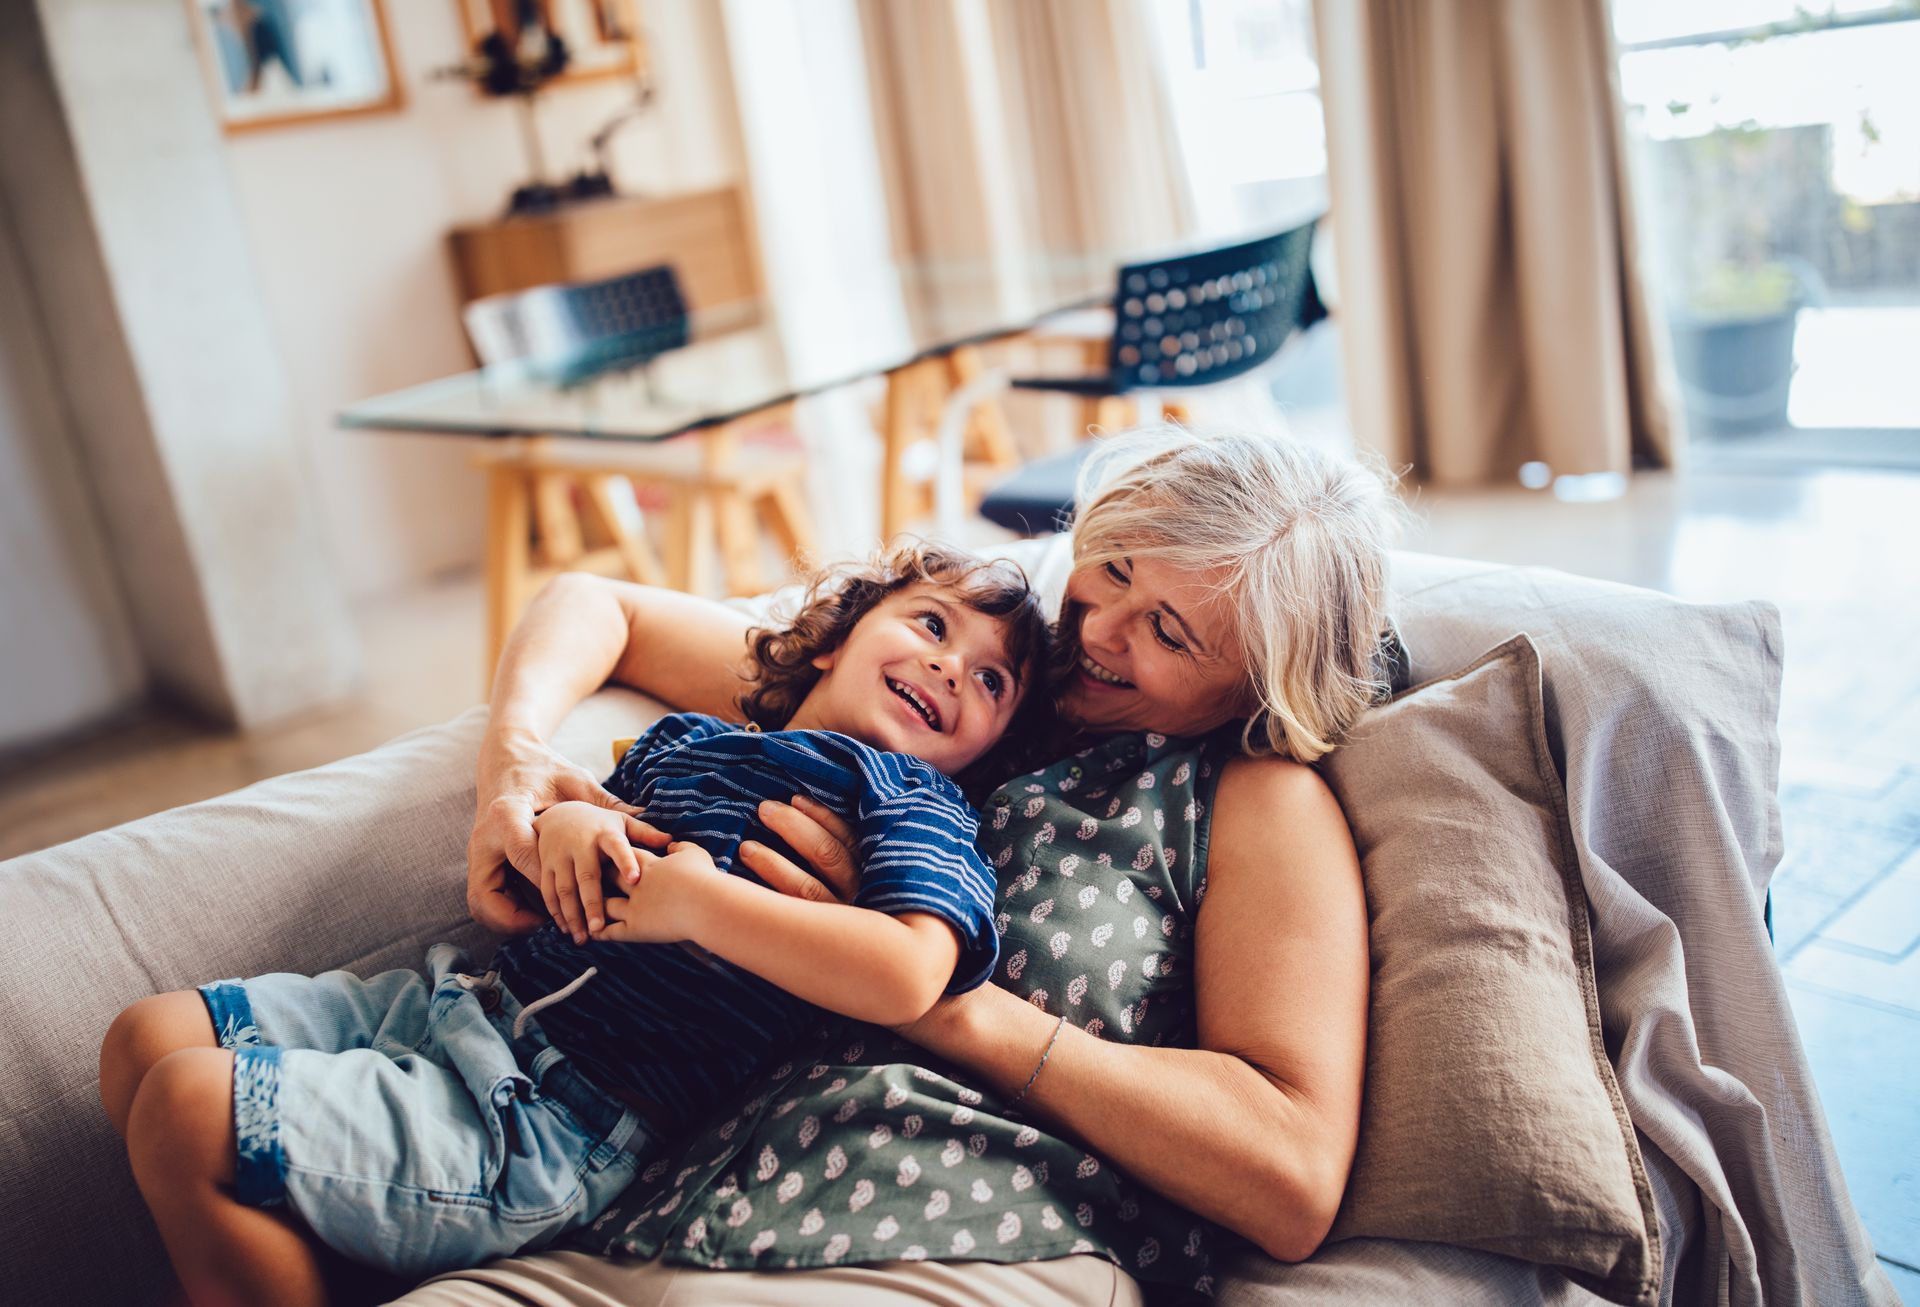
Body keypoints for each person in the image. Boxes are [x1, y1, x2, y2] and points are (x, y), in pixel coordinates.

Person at [389, 425, 1400, 1307]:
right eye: (1118, 568)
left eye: (1168, 633)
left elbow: (1289, 1173)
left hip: (963, 1234)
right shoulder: (958, 693)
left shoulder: (1255, 799)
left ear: (1253, 689)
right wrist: (514, 760)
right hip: (659, 1205)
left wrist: (927, 993)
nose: (1097, 631)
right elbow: (605, 607)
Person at [96, 544, 1053, 1306]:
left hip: (559, 1120)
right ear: (834, 637)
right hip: (450, 1011)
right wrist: (569, 821)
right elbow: (565, 829)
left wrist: (702, 905)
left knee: (188, 1109)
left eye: (992, 683)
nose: (950, 667)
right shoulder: (695, 738)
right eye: (932, 624)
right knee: (144, 1041)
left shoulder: (913, 805)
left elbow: (911, 974)